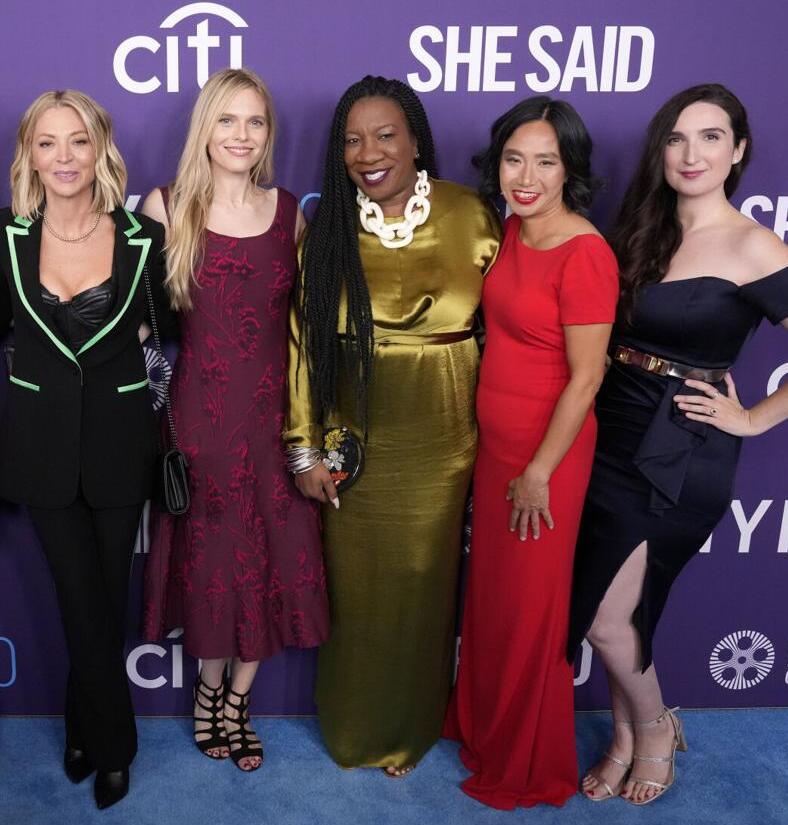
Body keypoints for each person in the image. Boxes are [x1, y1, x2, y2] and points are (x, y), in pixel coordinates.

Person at [568, 84, 788, 805]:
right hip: (609, 426)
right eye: (677, 138)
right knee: (609, 606)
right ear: (660, 149)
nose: (692, 154)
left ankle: (656, 727)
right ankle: (628, 734)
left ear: (739, 150)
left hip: (682, 447)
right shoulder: (639, 229)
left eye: (712, 137)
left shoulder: (756, 245)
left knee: (610, 614)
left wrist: (753, 418)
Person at [285, 75, 500, 775]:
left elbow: (514, 335)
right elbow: (303, 348)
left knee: (423, 590)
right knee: (356, 596)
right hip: (356, 447)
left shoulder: (473, 216)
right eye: (350, 138)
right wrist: (303, 449)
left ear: (414, 140)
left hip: (445, 444)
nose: (366, 151)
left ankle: (409, 726)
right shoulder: (328, 233)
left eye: (384, 134)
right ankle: (355, 725)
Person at [141, 68, 329, 771]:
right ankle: (207, 692)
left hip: (275, 422)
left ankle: (239, 703)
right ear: (206, 129)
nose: (242, 135)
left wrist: (310, 435)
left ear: (268, 134)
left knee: (272, 560)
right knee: (215, 563)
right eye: (228, 120)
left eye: (255, 122)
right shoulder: (167, 208)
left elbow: (309, 329)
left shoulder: (289, 214)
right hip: (198, 420)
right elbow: (142, 316)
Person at [0, 90, 176, 809]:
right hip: (39, 451)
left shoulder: (142, 239)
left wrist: (136, 345)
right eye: (48, 143)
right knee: (79, 596)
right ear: (29, 155)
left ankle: (79, 727)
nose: (64, 157)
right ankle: (115, 747)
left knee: (104, 596)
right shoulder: (8, 240)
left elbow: (166, 330)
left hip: (119, 446)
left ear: (101, 148)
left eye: (78, 141)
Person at [442, 98, 619, 809]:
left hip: (547, 459)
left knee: (529, 608)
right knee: (491, 599)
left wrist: (540, 471)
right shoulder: (513, 230)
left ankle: (522, 757)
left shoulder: (586, 251)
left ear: (570, 169)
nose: (527, 174)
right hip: (497, 448)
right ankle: (483, 725)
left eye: (546, 161)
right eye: (515, 158)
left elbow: (587, 375)